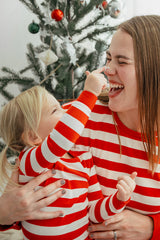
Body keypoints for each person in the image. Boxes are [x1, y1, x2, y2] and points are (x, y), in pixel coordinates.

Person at [0, 73, 137, 239]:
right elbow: (62, 138)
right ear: (33, 137)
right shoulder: (29, 161)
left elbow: (95, 213)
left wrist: (119, 199)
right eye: (55, 110)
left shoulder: (85, 160)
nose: (67, 111)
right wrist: (90, 93)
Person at [62, 15, 160, 240]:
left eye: (122, 61)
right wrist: (6, 211)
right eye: (108, 59)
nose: (107, 69)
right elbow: (26, 161)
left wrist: (152, 228)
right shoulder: (80, 118)